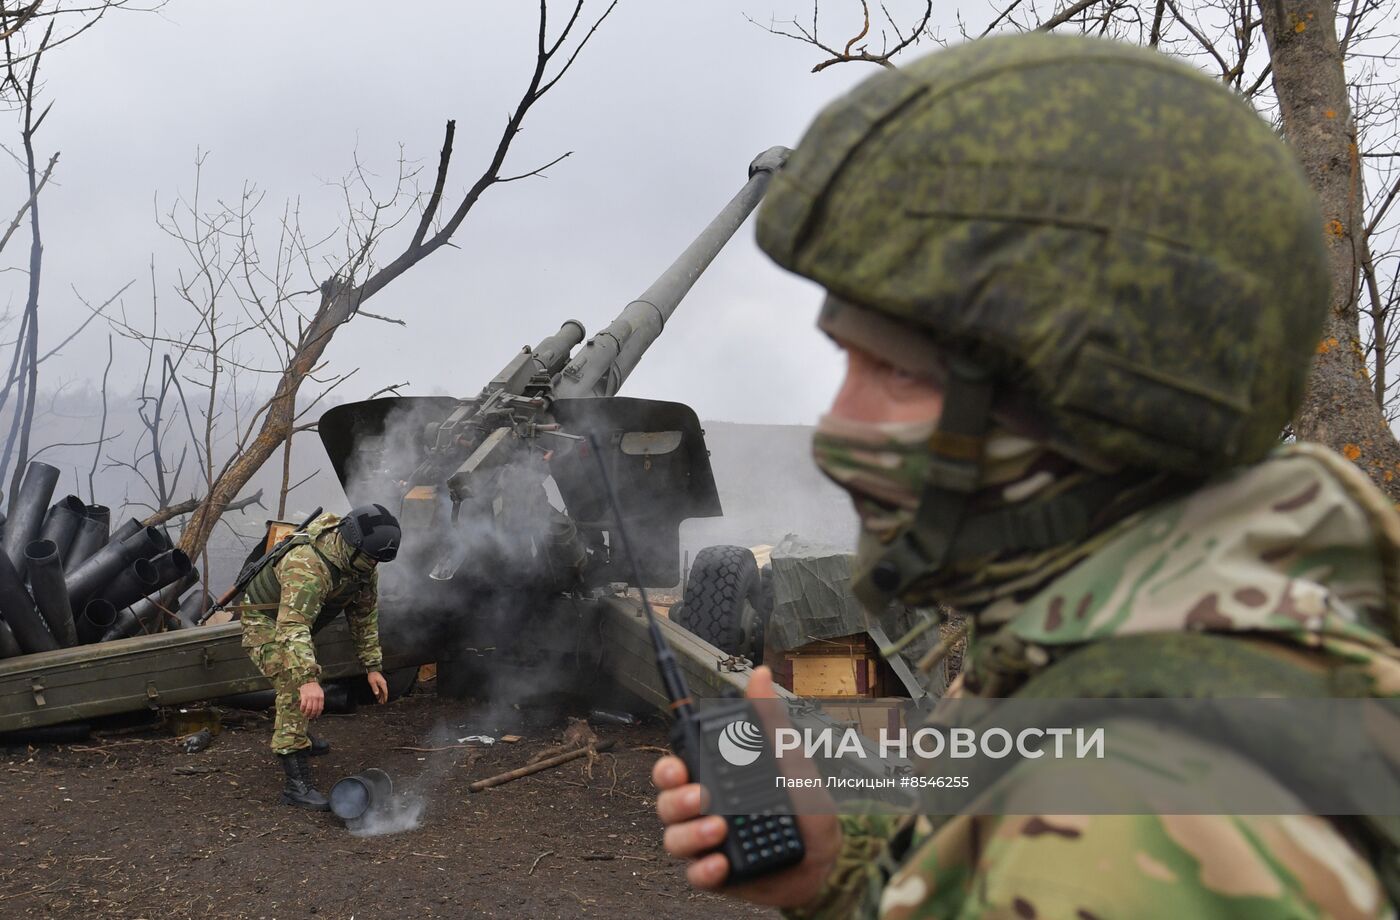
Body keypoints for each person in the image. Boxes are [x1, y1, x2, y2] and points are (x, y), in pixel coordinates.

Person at [653, 34, 1400, 917]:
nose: (837, 429)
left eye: (895, 372)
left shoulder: (1133, 841)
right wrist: (852, 874)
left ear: (1097, 398)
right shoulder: (1203, 655)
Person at [239, 504, 400, 809]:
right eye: (370, 558)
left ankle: (299, 734)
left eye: (378, 560)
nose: (374, 565)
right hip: (266, 623)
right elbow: (292, 626)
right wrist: (307, 680)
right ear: (351, 545)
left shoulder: (362, 562)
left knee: (304, 674)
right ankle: (295, 784)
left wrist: (372, 666)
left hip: (297, 623)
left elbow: (364, 615)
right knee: (291, 683)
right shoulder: (309, 565)